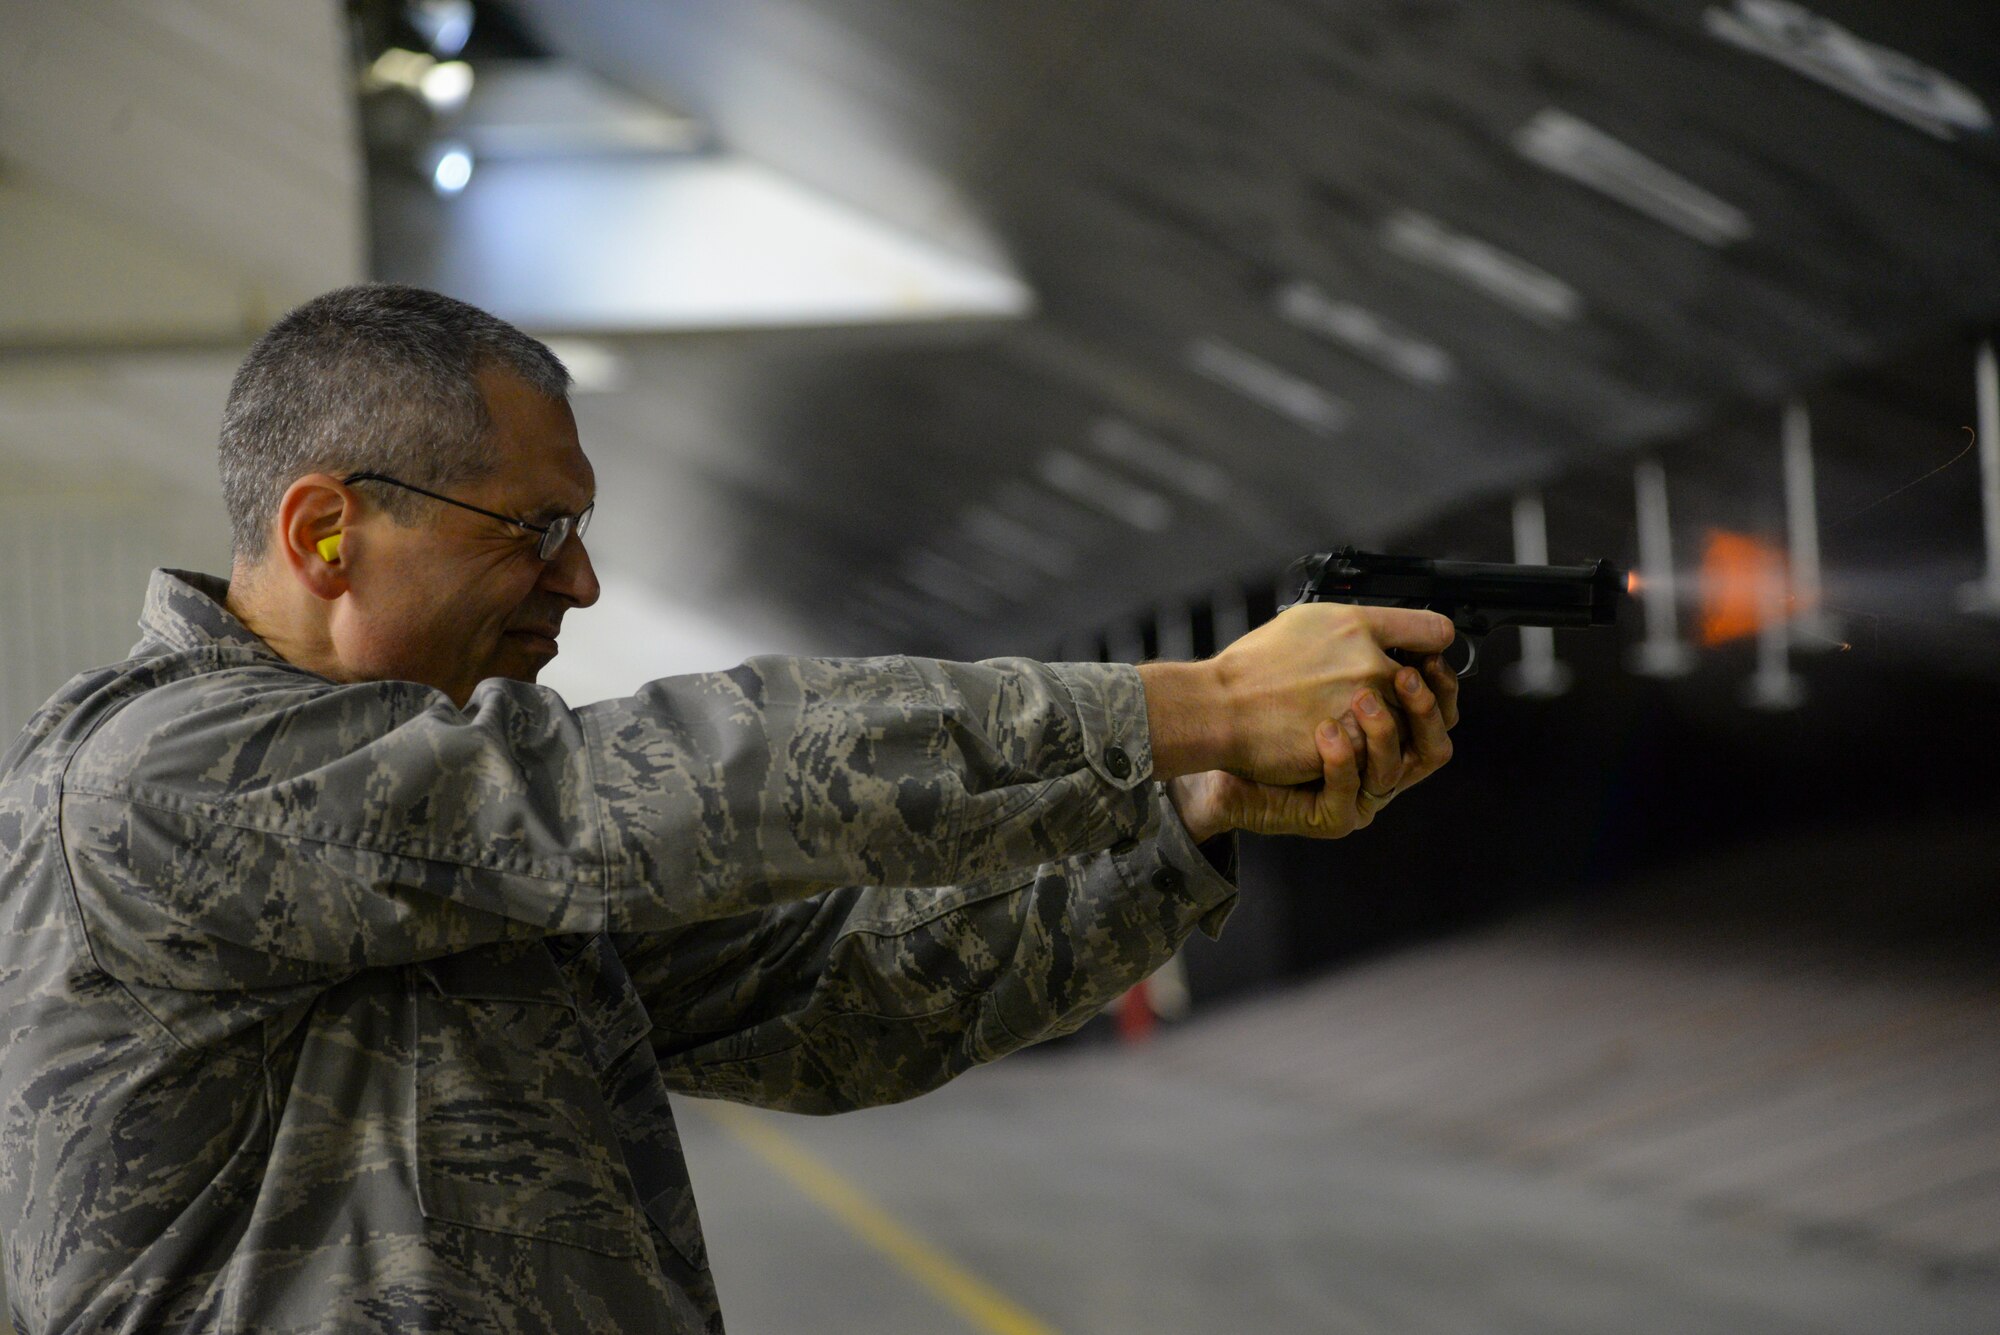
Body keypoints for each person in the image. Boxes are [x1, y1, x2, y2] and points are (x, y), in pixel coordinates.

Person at [0, 284, 1458, 1334]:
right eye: (539, 530)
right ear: (329, 531)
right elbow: (706, 776)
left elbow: (838, 998)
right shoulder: (156, 783)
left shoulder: (437, 841)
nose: (578, 583)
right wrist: (1194, 702)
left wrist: (1192, 814)